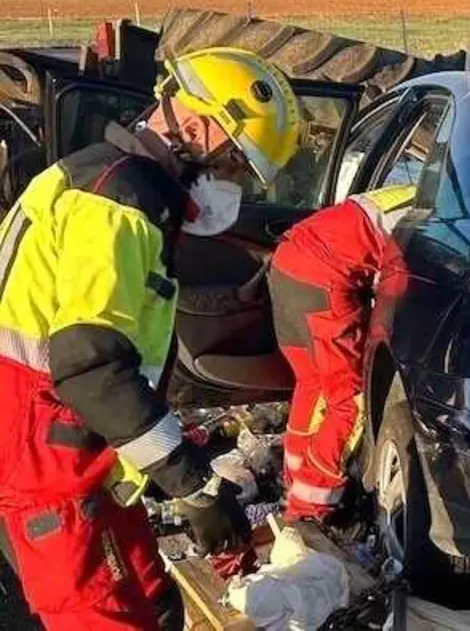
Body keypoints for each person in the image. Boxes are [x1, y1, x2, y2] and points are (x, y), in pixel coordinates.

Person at [0, 47, 302, 630]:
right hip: (47, 450)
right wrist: (191, 483)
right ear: (198, 127)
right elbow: (89, 364)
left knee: (151, 597)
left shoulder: (105, 177)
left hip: (76, 439)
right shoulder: (119, 203)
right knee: (101, 614)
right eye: (235, 163)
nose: (233, 181)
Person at [268, 183, 417, 522]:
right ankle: (308, 511)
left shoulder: (412, 189)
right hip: (325, 279)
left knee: (313, 384)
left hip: (288, 265)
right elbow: (400, 287)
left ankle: (294, 481)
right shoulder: (441, 212)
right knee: (349, 402)